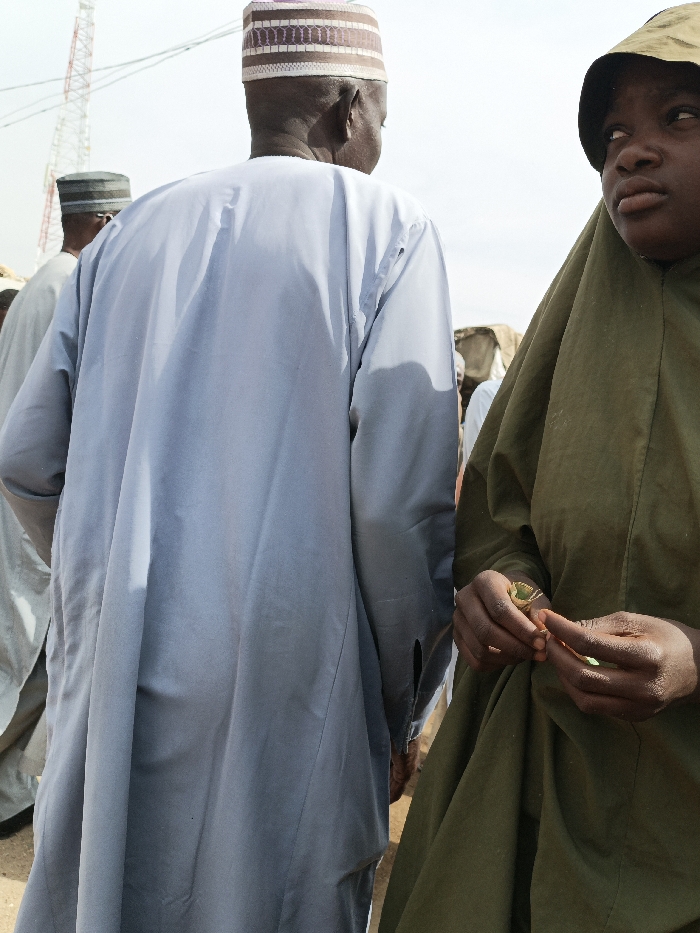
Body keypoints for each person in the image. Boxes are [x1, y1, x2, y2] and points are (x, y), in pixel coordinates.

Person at [0, 2, 456, 930]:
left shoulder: (125, 235)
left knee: (115, 883)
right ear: (349, 109)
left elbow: (26, 458)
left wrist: (102, 572)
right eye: (382, 114)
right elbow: (399, 510)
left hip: (122, 656)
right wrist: (401, 697)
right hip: (296, 671)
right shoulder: (389, 228)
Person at [379, 6, 700, 933]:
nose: (632, 153)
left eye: (679, 116)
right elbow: (498, 508)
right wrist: (500, 588)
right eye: (613, 135)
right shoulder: (577, 322)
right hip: (545, 794)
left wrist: (694, 657)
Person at [0, 171, 131, 840]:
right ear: (104, 223)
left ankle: (9, 794)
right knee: (20, 655)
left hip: (21, 497)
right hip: (31, 504)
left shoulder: (45, 282)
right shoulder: (70, 284)